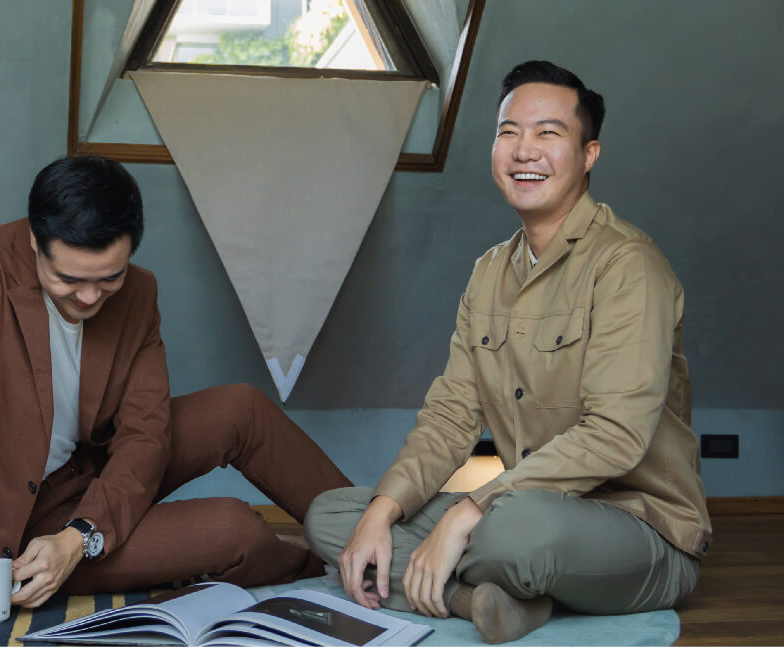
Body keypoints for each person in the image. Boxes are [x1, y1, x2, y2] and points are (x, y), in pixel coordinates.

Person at [0, 155, 351, 632]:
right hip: (16, 527)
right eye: (68, 279)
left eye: (108, 279)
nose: (88, 297)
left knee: (241, 408)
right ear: (35, 241)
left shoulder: (139, 292)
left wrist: (81, 535)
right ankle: (314, 567)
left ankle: (372, 544)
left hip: (89, 480)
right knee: (237, 530)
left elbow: (146, 433)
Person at [304, 60, 712, 644]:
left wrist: (470, 510)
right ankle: (478, 600)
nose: (524, 150)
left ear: (589, 155)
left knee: (514, 532)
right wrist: (382, 511)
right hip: (521, 506)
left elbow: (616, 435)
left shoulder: (628, 266)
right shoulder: (489, 272)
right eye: (509, 132)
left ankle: (468, 575)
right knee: (335, 518)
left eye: (548, 133)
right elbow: (450, 418)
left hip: (640, 527)